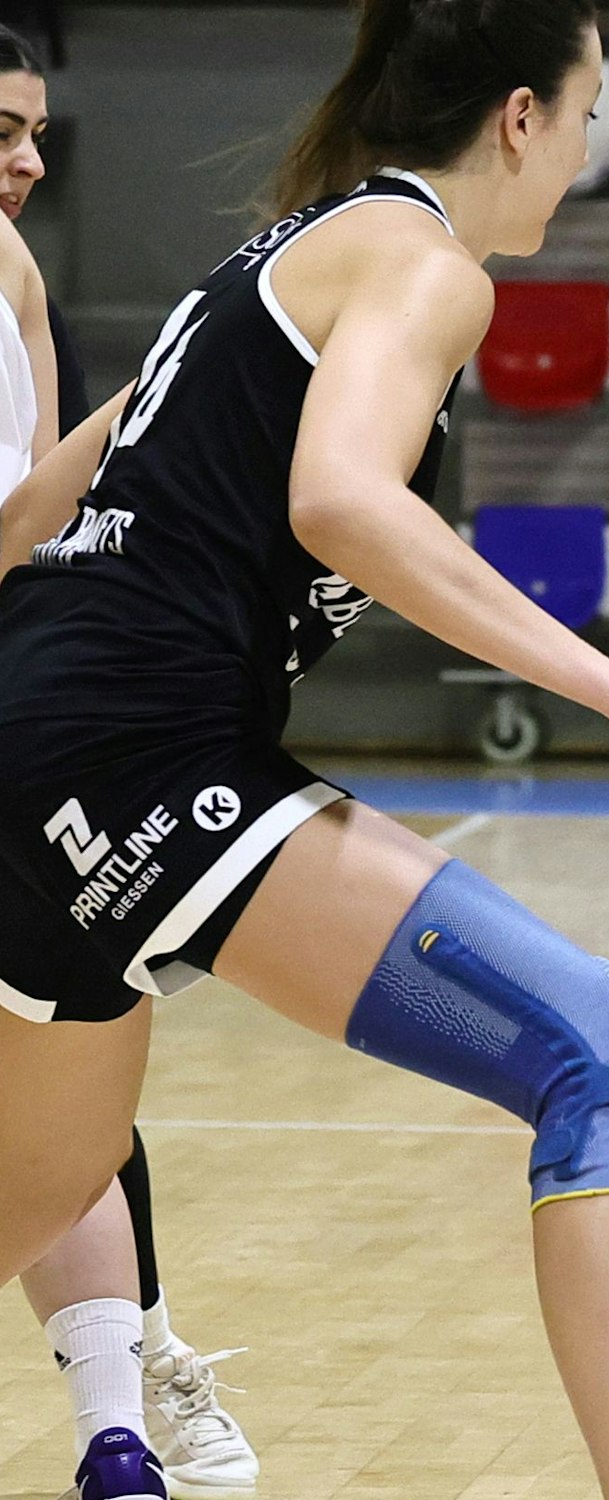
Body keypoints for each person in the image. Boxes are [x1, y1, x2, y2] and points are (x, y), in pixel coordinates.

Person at [0, 5, 609, 1500]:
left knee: (41, 1186)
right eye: (586, 115)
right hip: (137, 746)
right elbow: (342, 506)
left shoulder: (268, 265)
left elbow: (25, 524)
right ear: (520, 116)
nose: (585, 151)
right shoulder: (421, 263)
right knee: (600, 1053)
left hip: (38, 734)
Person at [0, 27, 260, 1495]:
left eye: (34, 129)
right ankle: (128, 1398)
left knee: (59, 1069)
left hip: (20, 717)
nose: (29, 160)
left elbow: (36, 516)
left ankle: (121, 1416)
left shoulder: (16, 277)